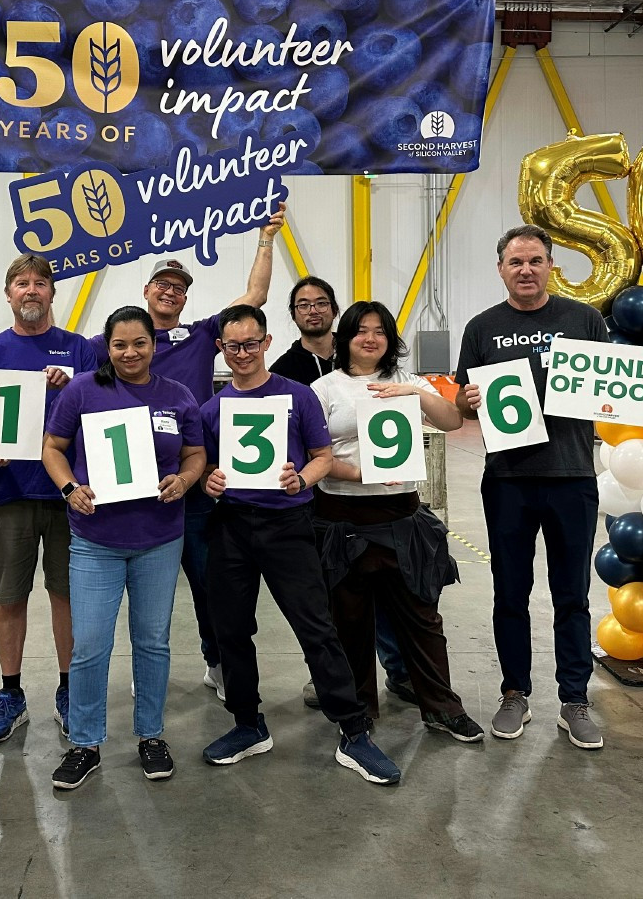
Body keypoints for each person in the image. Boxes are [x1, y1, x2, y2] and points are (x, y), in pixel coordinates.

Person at [454, 225, 643, 751]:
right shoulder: (481, 328)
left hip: (572, 478)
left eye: (535, 260)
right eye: (516, 262)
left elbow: (618, 381)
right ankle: (514, 693)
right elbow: (465, 402)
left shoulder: (583, 320)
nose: (526, 270)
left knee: (571, 596)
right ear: (501, 269)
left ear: (550, 265)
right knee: (509, 594)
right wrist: (467, 399)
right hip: (508, 481)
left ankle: (574, 699)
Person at [90, 204, 286, 701]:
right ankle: (145, 667)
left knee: (206, 579)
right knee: (139, 586)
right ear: (147, 290)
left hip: (193, 478)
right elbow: (69, 371)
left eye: (179, 286)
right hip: (132, 479)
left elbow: (256, 296)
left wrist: (265, 238)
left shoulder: (201, 335)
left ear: (184, 296)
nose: (170, 290)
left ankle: (216, 660)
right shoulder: (118, 341)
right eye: (163, 283)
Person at [200, 304, 401, 785]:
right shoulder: (211, 409)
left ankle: (354, 731)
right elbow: (201, 466)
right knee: (231, 631)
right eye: (233, 346)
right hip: (230, 527)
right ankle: (248, 724)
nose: (243, 353)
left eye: (252, 343)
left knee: (316, 627)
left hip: (288, 526)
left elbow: (322, 456)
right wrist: (208, 480)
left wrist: (301, 480)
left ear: (267, 343)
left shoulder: (298, 397)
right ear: (220, 350)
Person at [43, 306, 207, 790]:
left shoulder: (178, 396)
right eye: (120, 345)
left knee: (153, 642)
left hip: (159, 539)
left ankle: (151, 736)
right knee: (90, 645)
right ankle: (85, 743)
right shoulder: (82, 391)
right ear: (106, 348)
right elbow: (53, 447)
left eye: (140, 343)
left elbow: (194, 453)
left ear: (154, 346)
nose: (130, 352)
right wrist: (71, 488)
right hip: (95, 540)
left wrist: (186, 478)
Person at [311, 301, 484, 743]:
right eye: (360, 331)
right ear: (344, 338)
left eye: (380, 331)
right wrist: (364, 473)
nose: (370, 339)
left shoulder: (407, 381)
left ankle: (442, 707)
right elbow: (314, 457)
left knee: (422, 617)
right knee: (349, 622)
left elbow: (452, 418)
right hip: (343, 518)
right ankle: (359, 710)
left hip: (402, 517)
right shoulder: (324, 389)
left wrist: (418, 395)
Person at [0, 254, 98, 745]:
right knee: (9, 597)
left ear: (52, 294)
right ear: (9, 293)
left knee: (66, 596)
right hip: (8, 495)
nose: (32, 290)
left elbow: (102, 416)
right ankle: (10, 693)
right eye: (22, 283)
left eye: (41, 283)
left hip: (69, 497)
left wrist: (74, 387)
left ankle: (68, 688)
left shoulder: (80, 351)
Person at [270, 275, 416, 712]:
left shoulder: (370, 363)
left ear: (335, 311)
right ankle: (331, 676)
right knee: (331, 599)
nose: (312, 310)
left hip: (379, 500)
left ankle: (399, 669)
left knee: (385, 595)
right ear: (293, 315)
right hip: (315, 503)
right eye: (302, 304)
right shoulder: (286, 369)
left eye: (320, 303)